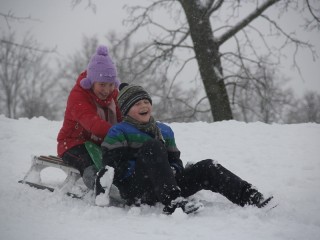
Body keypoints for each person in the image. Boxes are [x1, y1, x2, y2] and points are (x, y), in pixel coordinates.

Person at [97, 83, 273, 214]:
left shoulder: (164, 130)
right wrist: (150, 170)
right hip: (138, 189)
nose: (144, 106)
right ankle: (174, 202)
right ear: (126, 110)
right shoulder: (118, 131)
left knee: (207, 166)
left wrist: (172, 169)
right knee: (153, 147)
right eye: (137, 104)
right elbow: (112, 167)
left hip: (167, 184)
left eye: (146, 101)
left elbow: (175, 160)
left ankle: (250, 196)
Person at [57, 45, 122, 190]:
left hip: (99, 143)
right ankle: (98, 185)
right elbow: (92, 123)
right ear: (91, 82)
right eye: (102, 85)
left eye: (111, 85)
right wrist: (119, 133)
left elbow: (122, 117)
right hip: (72, 143)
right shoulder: (78, 96)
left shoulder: (114, 96)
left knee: (117, 158)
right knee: (88, 161)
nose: (107, 90)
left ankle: (122, 183)